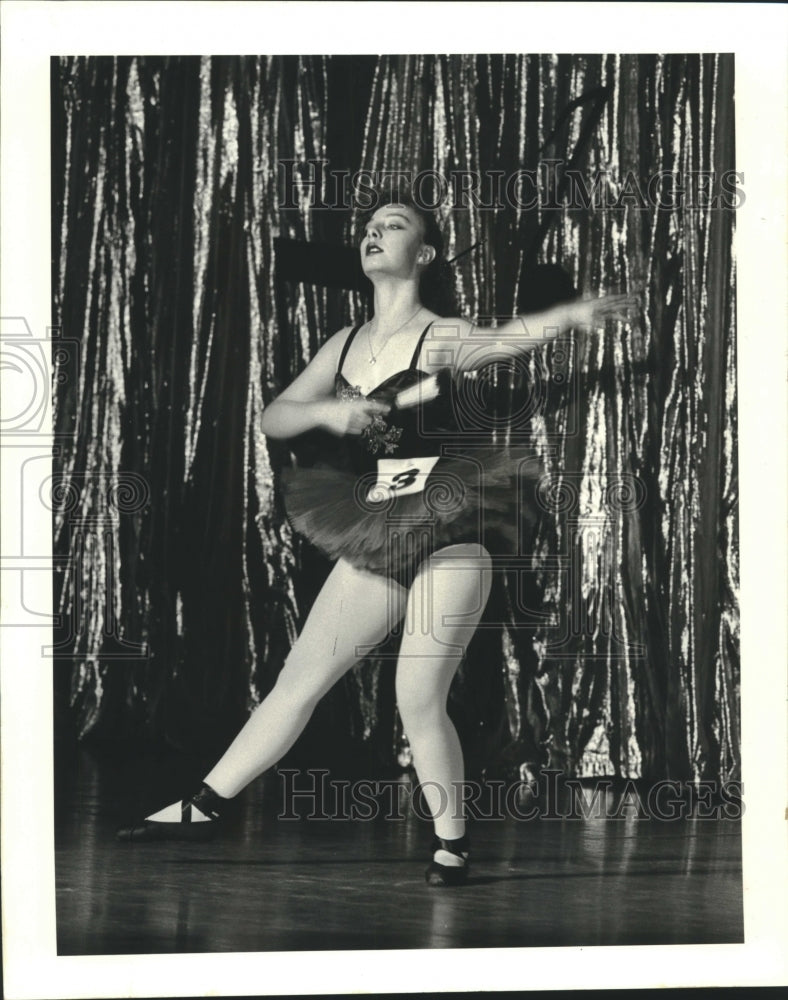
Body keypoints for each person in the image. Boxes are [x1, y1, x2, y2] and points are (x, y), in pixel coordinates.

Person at [117, 189, 637, 886]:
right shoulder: (344, 344)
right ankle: (205, 805)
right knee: (296, 683)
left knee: (416, 693)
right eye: (367, 228)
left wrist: (569, 317)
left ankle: (452, 842)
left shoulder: (441, 334)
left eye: (391, 227)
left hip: (451, 528)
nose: (372, 235)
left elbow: (506, 339)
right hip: (379, 526)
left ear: (421, 255)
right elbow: (275, 417)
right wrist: (332, 411)